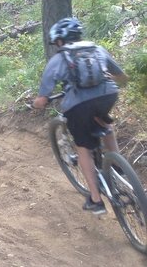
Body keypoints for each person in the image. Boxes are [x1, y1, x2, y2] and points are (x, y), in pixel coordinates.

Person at [33, 17, 128, 214]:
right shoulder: (97, 49)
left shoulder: (58, 59)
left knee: (83, 148)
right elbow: (122, 77)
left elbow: (42, 99)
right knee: (105, 123)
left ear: (59, 40)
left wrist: (38, 103)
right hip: (108, 95)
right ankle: (119, 167)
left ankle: (96, 200)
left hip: (79, 104)